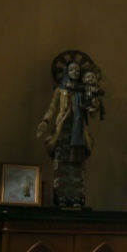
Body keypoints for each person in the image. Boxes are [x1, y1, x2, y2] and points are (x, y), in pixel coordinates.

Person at [36, 60, 101, 207]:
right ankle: (61, 199)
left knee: (77, 166)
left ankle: (77, 199)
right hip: (63, 130)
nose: (74, 73)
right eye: (71, 70)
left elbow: (92, 112)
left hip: (78, 131)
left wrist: (94, 104)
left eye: (77, 71)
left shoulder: (83, 90)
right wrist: (45, 121)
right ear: (66, 71)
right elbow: (52, 108)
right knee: (61, 164)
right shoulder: (60, 90)